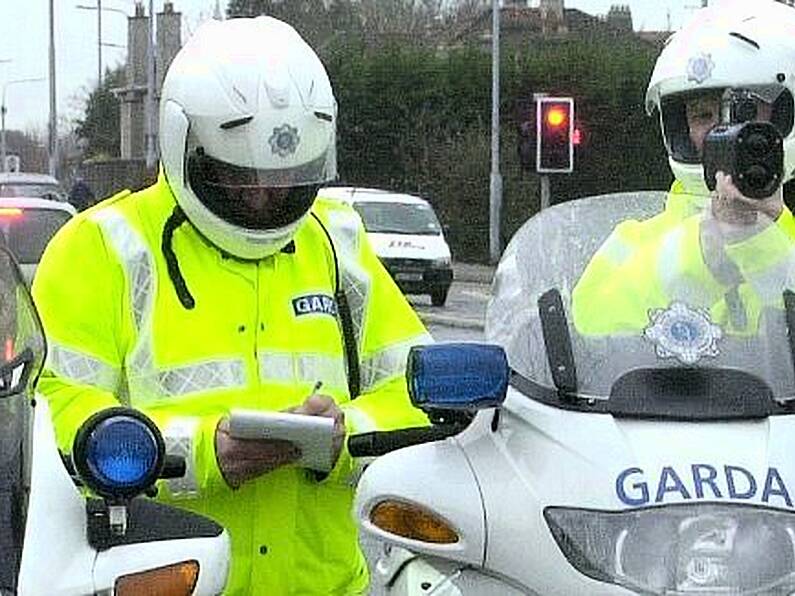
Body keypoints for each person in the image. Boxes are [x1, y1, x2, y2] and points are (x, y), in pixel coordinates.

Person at [31, 16, 431, 595]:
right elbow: (52, 420)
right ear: (184, 143)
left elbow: (419, 392)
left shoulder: (337, 245)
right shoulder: (101, 248)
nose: (266, 196)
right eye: (240, 176)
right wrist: (202, 453)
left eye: (289, 177)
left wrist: (345, 436)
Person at [573, 0, 795, 336]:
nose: (718, 132)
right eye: (701, 115)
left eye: (744, 113)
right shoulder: (636, 239)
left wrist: (761, 240)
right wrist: (703, 254)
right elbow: (587, 326)